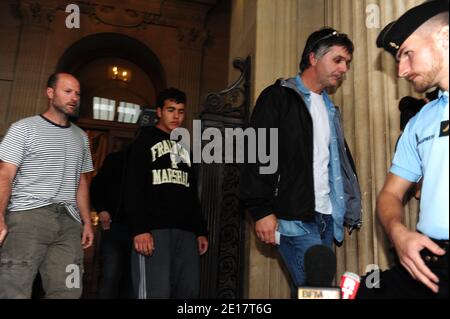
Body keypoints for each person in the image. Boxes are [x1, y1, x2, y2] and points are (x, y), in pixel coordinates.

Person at [239, 27, 362, 297]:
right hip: (293, 218)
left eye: (347, 63)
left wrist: (347, 208)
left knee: (311, 291)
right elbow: (255, 153)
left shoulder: (330, 108)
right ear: (313, 58)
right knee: (319, 292)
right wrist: (260, 210)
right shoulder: (278, 97)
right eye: (338, 60)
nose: (344, 69)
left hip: (326, 217)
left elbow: (334, 164)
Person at [358, 0, 448, 299]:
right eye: (399, 59)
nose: (400, 71)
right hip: (430, 260)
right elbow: (390, 194)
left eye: (407, 54)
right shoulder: (420, 122)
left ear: (445, 37)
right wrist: (398, 233)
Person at [0, 72, 94, 299]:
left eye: (78, 94)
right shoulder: (23, 128)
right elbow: (5, 174)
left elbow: (80, 181)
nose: (74, 98)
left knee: (69, 291)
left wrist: (87, 222)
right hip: (27, 217)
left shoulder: (81, 137)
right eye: (68, 91)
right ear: (50, 93)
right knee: (14, 289)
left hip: (69, 223)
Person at [125, 87, 208, 299]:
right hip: (154, 229)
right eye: (171, 110)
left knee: (188, 291)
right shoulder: (144, 140)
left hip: (185, 231)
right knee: (155, 292)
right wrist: (140, 229)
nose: (176, 116)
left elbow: (190, 191)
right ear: (159, 111)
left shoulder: (185, 145)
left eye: (181, 111)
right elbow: (133, 186)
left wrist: (199, 230)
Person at [90, 149, 133, 299]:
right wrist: (102, 210)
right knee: (110, 275)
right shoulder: (117, 159)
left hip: (143, 229)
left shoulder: (155, 161)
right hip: (115, 226)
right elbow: (96, 187)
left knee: (133, 280)